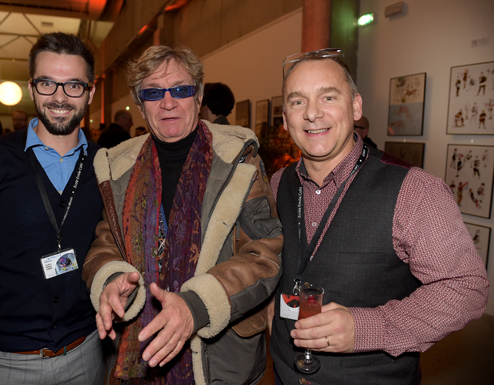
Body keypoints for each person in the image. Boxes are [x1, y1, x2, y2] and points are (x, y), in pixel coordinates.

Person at [269, 48, 489, 385]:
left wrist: (367, 329)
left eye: (328, 96)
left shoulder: (415, 190)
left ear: (356, 106)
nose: (312, 113)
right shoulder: (276, 184)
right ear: (285, 118)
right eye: (298, 102)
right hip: (285, 372)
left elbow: (465, 286)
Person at [82, 45, 283, 385]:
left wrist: (196, 306)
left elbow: (264, 255)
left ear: (199, 95)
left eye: (180, 90)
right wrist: (111, 278)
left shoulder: (238, 161)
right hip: (137, 354)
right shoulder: (118, 168)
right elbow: (105, 244)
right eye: (153, 92)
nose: (168, 102)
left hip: (218, 362)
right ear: (140, 102)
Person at [0, 32, 108, 385]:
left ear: (90, 92)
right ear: (32, 88)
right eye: (48, 83)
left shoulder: (105, 166)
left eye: (74, 86)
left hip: (83, 355)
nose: (60, 97)